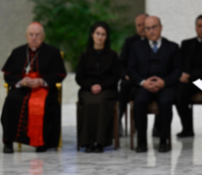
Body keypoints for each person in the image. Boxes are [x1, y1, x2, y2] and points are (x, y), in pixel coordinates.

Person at [1, 22, 66, 153]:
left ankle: (42, 142)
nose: (34, 38)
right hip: (22, 89)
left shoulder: (53, 52)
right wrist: (21, 81)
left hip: (45, 89)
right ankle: (8, 142)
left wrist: (42, 81)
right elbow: (8, 75)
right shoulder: (18, 52)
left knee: (47, 104)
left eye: (37, 35)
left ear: (43, 37)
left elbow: (60, 74)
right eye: (31, 34)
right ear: (26, 36)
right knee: (11, 100)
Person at [128, 16, 181, 153]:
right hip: (144, 85)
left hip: (164, 85)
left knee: (166, 101)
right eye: (148, 28)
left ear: (161, 27)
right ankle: (141, 142)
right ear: (144, 31)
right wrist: (143, 82)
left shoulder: (172, 47)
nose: (152, 31)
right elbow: (131, 69)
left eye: (154, 27)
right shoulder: (136, 47)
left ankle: (163, 142)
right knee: (139, 101)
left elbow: (177, 70)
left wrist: (164, 82)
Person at [75, 21, 121, 153]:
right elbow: (79, 77)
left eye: (103, 34)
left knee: (100, 102)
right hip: (87, 89)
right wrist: (91, 86)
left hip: (107, 90)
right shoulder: (84, 55)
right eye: (97, 34)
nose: (100, 37)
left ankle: (100, 142)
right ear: (92, 35)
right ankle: (88, 142)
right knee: (89, 102)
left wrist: (101, 86)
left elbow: (115, 76)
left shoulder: (112, 55)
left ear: (107, 37)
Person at [119, 13, 148, 120]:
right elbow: (121, 63)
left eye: (143, 24)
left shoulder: (155, 41)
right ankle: (119, 119)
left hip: (149, 79)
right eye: (138, 25)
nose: (141, 27)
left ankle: (157, 126)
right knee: (125, 84)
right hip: (132, 79)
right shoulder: (129, 42)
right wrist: (125, 74)